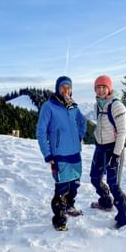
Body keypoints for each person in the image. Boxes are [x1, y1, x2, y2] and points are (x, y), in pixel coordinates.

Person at [37, 76, 87, 231]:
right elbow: (40, 131)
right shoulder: (48, 106)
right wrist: (48, 154)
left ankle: (70, 206)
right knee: (62, 188)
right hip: (59, 155)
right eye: (62, 87)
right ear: (57, 89)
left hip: (75, 154)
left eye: (68, 87)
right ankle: (59, 218)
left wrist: (80, 135)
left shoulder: (73, 107)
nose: (66, 90)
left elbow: (83, 121)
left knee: (74, 185)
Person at [90, 75, 126, 229]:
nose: (100, 90)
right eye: (98, 87)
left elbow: (122, 132)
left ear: (109, 88)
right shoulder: (97, 105)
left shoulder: (117, 106)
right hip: (100, 147)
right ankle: (106, 202)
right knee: (95, 178)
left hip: (114, 148)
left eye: (103, 87)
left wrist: (115, 155)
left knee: (114, 184)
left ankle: (123, 217)